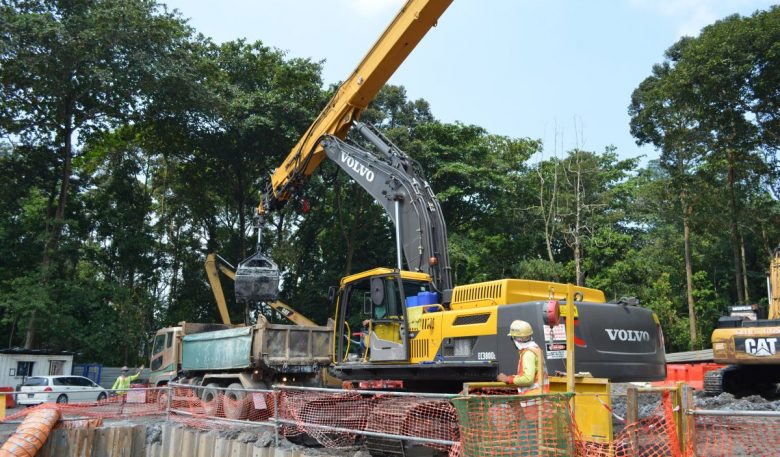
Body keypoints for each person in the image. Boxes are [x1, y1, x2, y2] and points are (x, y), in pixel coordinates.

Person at [495, 320, 549, 455]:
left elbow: (528, 378)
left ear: (515, 339)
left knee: (526, 441)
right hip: (538, 401)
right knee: (531, 439)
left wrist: (508, 379)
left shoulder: (528, 354)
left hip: (532, 402)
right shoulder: (536, 350)